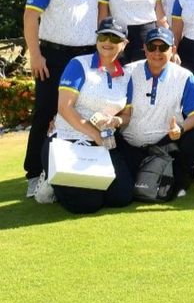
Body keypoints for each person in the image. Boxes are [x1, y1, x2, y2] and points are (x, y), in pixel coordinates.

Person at [22, 0, 99, 198]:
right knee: (45, 112)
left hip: (87, 56)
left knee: (83, 112)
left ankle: (77, 169)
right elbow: (31, 18)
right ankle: (34, 173)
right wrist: (35, 54)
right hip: (53, 56)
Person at [32, 17, 133, 212]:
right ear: (96, 39)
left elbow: (126, 115)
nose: (108, 42)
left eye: (114, 38)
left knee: (122, 197)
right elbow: (64, 108)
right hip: (67, 140)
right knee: (87, 204)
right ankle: (51, 179)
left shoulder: (127, 76)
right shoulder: (79, 64)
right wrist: (94, 134)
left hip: (101, 144)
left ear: (124, 44)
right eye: (104, 36)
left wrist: (116, 120)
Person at [117, 27, 194, 199]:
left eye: (163, 47)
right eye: (152, 47)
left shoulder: (184, 76)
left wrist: (180, 128)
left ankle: (179, 180)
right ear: (144, 48)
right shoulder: (127, 72)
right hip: (130, 144)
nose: (157, 52)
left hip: (165, 145)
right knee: (124, 193)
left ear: (172, 49)